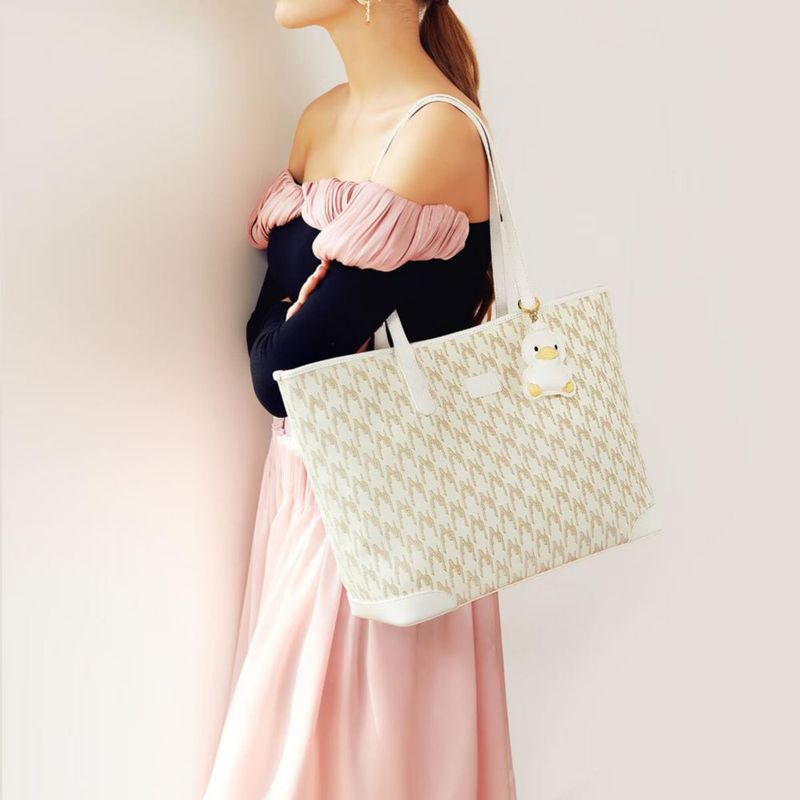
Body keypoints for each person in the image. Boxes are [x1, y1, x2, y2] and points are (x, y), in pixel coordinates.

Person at [202, 0, 518, 797]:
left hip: (387, 501)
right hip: (303, 490)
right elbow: (275, 342)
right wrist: (288, 333)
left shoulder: (436, 132)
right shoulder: (321, 119)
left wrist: (287, 331)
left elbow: (281, 370)